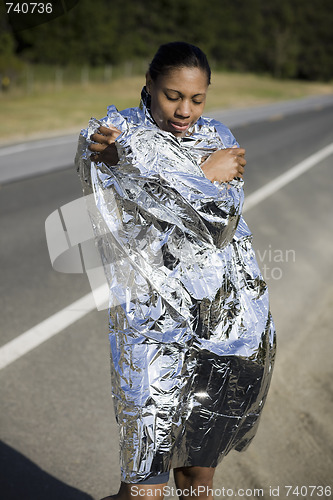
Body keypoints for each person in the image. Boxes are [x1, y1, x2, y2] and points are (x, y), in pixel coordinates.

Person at [75, 42, 276, 500]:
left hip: (223, 322)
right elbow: (120, 213)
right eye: (172, 96)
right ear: (148, 84)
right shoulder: (112, 135)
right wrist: (204, 176)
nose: (185, 110)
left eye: (197, 99)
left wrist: (142, 173)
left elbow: (219, 223)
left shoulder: (218, 136)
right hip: (151, 325)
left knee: (196, 479)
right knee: (145, 484)